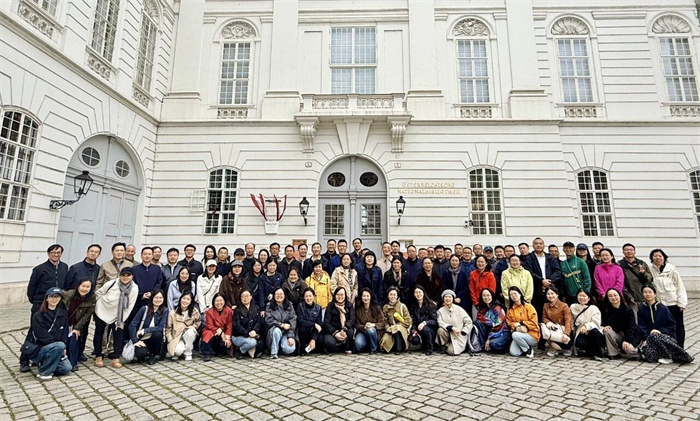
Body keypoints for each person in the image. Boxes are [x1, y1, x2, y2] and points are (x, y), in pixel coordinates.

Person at [93, 267, 140, 368]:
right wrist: (100, 303)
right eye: (123, 275)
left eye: (128, 275)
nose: (125, 277)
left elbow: (129, 307)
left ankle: (116, 357)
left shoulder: (134, 288)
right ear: (119, 275)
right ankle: (98, 355)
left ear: (132, 276)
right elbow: (98, 293)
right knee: (99, 332)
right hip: (102, 309)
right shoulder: (112, 283)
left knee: (118, 333)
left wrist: (121, 321)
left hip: (118, 314)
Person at [20, 287, 71, 380]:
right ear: (47, 298)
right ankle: (45, 373)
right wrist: (58, 346)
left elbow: (65, 333)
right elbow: (41, 335)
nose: (54, 299)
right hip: (41, 348)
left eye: (57, 297)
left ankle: (45, 363)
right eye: (52, 297)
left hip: (58, 347)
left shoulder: (63, 314)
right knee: (59, 346)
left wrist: (63, 348)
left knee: (66, 368)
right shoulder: (38, 315)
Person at [637, 284, 693, 364]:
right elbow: (642, 326)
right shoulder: (641, 309)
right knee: (648, 356)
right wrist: (646, 338)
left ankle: (670, 356)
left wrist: (659, 331)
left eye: (650, 292)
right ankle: (664, 355)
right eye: (645, 292)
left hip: (666, 337)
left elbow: (672, 326)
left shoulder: (663, 308)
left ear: (654, 294)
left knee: (655, 336)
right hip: (650, 339)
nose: (647, 294)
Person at [648, 249, 687, 348]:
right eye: (655, 256)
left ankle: (680, 347)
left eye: (660, 256)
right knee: (663, 326)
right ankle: (667, 347)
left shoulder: (672, 270)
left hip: (673, 303)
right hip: (660, 304)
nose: (658, 258)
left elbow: (680, 287)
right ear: (652, 258)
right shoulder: (650, 270)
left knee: (678, 326)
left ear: (664, 257)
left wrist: (682, 303)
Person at [521, 237, 562, 325]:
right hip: (536, 290)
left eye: (540, 243)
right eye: (536, 244)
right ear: (533, 246)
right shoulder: (528, 259)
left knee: (552, 312)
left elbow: (557, 271)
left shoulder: (550, 258)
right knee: (538, 313)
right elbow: (529, 272)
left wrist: (549, 282)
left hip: (551, 289)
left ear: (544, 245)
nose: (538, 245)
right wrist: (541, 280)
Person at [63, 279, 96, 371]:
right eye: (83, 286)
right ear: (78, 286)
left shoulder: (92, 297)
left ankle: (73, 363)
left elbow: (87, 315)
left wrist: (77, 328)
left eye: (87, 287)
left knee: (75, 337)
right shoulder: (68, 294)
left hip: (76, 324)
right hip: (64, 322)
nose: (84, 289)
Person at [27, 244, 69, 316]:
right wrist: (35, 300)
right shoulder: (39, 269)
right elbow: (32, 287)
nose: (56, 255)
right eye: (53, 253)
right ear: (49, 254)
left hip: (58, 302)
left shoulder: (64, 267)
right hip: (41, 302)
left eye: (58, 253)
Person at [600, 288, 642, 359]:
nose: (613, 298)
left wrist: (627, 340)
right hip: (618, 334)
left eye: (615, 295)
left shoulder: (628, 309)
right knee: (607, 331)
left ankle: (639, 352)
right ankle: (613, 353)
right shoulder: (606, 310)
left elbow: (631, 327)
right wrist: (606, 326)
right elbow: (604, 322)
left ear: (619, 296)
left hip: (630, 335)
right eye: (610, 296)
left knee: (629, 349)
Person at [129, 290, 168, 365]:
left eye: (160, 298)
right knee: (141, 354)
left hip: (154, 339)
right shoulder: (144, 309)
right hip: (142, 338)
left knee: (157, 334)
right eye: (156, 297)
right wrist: (135, 341)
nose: (158, 300)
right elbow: (132, 325)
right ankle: (146, 354)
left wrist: (144, 330)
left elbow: (160, 327)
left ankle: (152, 355)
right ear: (152, 298)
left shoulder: (165, 311)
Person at [570, 289, 605, 361]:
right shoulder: (573, 307)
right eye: (580, 295)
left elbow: (596, 323)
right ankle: (589, 351)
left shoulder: (593, 308)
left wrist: (586, 326)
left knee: (594, 332)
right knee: (580, 343)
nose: (581, 298)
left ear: (588, 298)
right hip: (580, 331)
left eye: (584, 296)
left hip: (593, 330)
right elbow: (571, 320)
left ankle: (598, 354)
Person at [165, 292, 201, 361]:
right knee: (177, 352)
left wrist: (192, 327)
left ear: (191, 302)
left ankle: (188, 353)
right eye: (184, 298)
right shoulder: (172, 313)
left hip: (188, 335)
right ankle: (181, 351)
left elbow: (198, 322)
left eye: (188, 299)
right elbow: (168, 329)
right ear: (180, 299)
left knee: (190, 332)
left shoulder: (194, 311)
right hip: (177, 337)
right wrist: (170, 340)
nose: (185, 301)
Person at [436, 289, 472, 356]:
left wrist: (464, 331)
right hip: (447, 334)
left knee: (451, 352)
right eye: (446, 297)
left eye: (449, 297)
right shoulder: (440, 311)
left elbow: (469, 322)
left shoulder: (459, 309)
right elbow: (440, 322)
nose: (448, 299)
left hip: (458, 336)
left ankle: (454, 347)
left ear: (453, 298)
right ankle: (445, 345)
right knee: (440, 330)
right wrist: (451, 327)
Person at [505, 286, 539, 358]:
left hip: (532, 334)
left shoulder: (529, 307)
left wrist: (522, 323)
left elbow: (534, 323)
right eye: (511, 295)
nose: (513, 296)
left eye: (515, 293)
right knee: (514, 353)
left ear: (520, 294)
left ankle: (528, 350)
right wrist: (515, 326)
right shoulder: (510, 309)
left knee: (515, 335)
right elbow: (509, 322)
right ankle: (525, 347)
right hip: (519, 333)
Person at [474, 288, 511, 354]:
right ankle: (484, 346)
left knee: (493, 344)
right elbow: (479, 318)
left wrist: (489, 339)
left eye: (488, 295)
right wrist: (491, 323)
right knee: (477, 322)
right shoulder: (482, 308)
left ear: (492, 296)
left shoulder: (497, 308)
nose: (486, 297)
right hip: (491, 330)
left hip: (502, 332)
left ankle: (505, 346)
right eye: (484, 296)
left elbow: (498, 326)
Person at [264, 288, 297, 359]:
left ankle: (279, 349)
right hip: (273, 331)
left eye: (281, 294)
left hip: (286, 332)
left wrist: (291, 336)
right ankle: (273, 353)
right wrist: (281, 325)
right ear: (274, 295)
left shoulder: (289, 305)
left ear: (284, 295)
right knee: (277, 331)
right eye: (277, 294)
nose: (279, 296)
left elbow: (293, 321)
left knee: (290, 349)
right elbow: (268, 320)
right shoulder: (269, 306)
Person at [232, 290, 265, 359]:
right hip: (238, 336)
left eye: (247, 296)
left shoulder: (256, 308)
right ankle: (240, 350)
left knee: (258, 344)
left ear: (251, 297)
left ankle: (248, 350)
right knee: (252, 342)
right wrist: (247, 334)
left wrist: (254, 331)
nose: (245, 298)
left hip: (252, 335)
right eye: (243, 296)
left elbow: (258, 322)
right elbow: (237, 326)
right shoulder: (237, 310)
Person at [540, 286, 572, 357]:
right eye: (548, 294)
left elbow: (568, 321)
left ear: (557, 294)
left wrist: (566, 334)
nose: (550, 296)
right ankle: (554, 348)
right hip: (552, 330)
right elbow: (544, 317)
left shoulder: (564, 306)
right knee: (542, 328)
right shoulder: (546, 306)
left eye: (552, 293)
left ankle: (565, 348)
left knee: (558, 344)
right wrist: (547, 322)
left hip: (562, 331)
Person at [322, 287, 355, 354]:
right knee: (329, 342)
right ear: (335, 295)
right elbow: (327, 322)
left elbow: (352, 319)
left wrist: (344, 328)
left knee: (350, 332)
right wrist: (335, 333)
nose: (340, 297)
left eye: (342, 295)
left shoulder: (349, 305)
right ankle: (336, 347)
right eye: (338, 294)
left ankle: (346, 347)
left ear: (345, 295)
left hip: (345, 329)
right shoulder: (330, 306)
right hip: (333, 331)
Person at [380, 287, 412, 354]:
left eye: (394, 295)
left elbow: (408, 321)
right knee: (385, 343)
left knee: (397, 328)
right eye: (391, 294)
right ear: (388, 296)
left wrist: (397, 326)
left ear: (397, 296)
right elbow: (384, 321)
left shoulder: (402, 306)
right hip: (390, 329)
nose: (392, 296)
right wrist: (387, 327)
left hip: (401, 329)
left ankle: (399, 348)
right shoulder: (385, 307)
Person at [201, 293, 233, 361]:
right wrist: (219, 331)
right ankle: (206, 353)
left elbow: (229, 324)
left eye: (221, 300)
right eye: (216, 301)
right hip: (212, 331)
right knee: (208, 333)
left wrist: (227, 336)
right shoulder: (209, 311)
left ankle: (218, 351)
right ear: (213, 302)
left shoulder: (229, 311)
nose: (219, 303)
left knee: (224, 344)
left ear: (224, 301)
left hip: (224, 331)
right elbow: (209, 325)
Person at [354, 288, 385, 354]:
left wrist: (373, 325)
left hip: (374, 331)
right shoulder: (358, 309)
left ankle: (374, 349)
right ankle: (367, 345)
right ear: (361, 297)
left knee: (370, 330)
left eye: (367, 296)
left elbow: (382, 322)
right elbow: (356, 324)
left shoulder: (376, 307)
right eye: (364, 296)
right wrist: (364, 327)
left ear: (370, 297)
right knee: (358, 345)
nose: (366, 298)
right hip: (362, 331)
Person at [409, 286, 438, 355]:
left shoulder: (431, 305)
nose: (418, 294)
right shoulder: (414, 306)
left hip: (430, 330)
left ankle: (430, 347)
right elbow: (415, 321)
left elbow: (434, 321)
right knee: (415, 340)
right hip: (419, 329)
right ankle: (423, 345)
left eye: (420, 292)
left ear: (423, 293)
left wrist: (425, 323)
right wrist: (413, 330)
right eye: (416, 293)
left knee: (425, 329)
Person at [297, 288, 323, 355]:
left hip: (313, 331)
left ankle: (313, 348)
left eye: (310, 296)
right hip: (304, 330)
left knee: (321, 339)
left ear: (314, 296)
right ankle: (302, 350)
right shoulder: (300, 306)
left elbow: (319, 324)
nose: (308, 298)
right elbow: (301, 321)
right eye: (306, 296)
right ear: (303, 297)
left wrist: (313, 339)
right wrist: (314, 324)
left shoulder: (318, 308)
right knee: (302, 329)